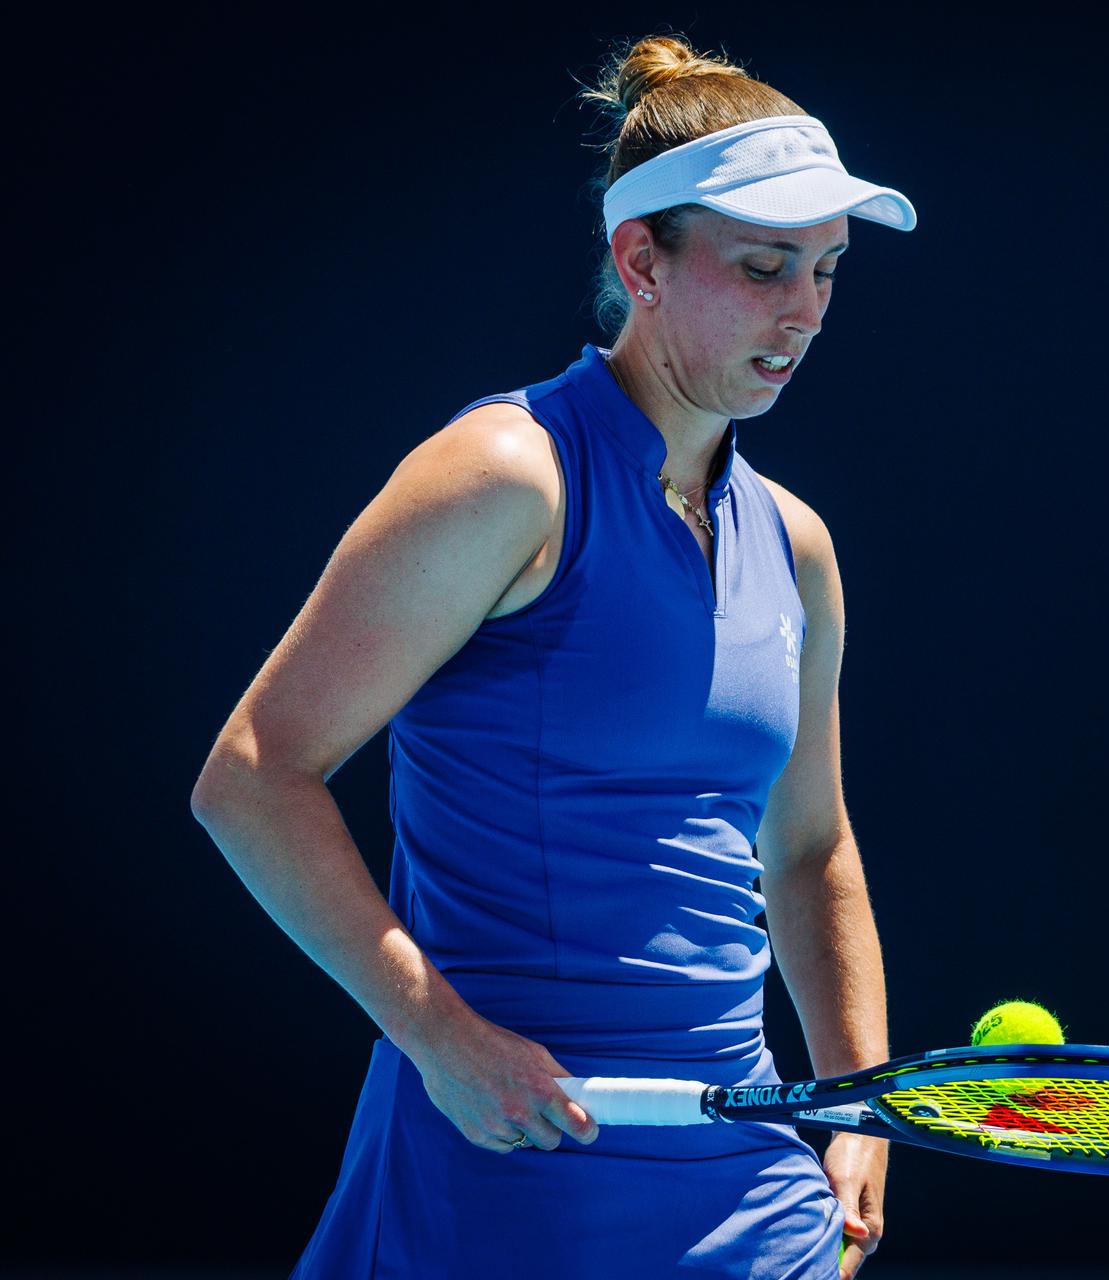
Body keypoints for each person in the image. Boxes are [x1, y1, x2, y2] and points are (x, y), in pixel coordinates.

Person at [189, 33, 914, 1278]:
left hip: (748, 1180)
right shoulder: (505, 476)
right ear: (642, 260)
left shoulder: (796, 546)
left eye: (828, 270)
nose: (804, 309)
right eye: (762, 266)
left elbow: (809, 845)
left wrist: (855, 1095)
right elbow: (253, 772)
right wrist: (442, 1037)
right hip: (506, 1157)